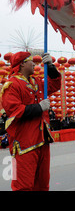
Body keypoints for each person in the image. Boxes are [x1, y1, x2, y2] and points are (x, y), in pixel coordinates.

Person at [1, 51, 61, 191]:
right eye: (30, 61)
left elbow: (54, 85)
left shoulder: (36, 81)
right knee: (22, 186)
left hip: (42, 138)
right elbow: (14, 110)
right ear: (22, 64)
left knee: (42, 183)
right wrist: (39, 107)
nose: (34, 63)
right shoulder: (11, 84)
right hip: (23, 142)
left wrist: (51, 67)